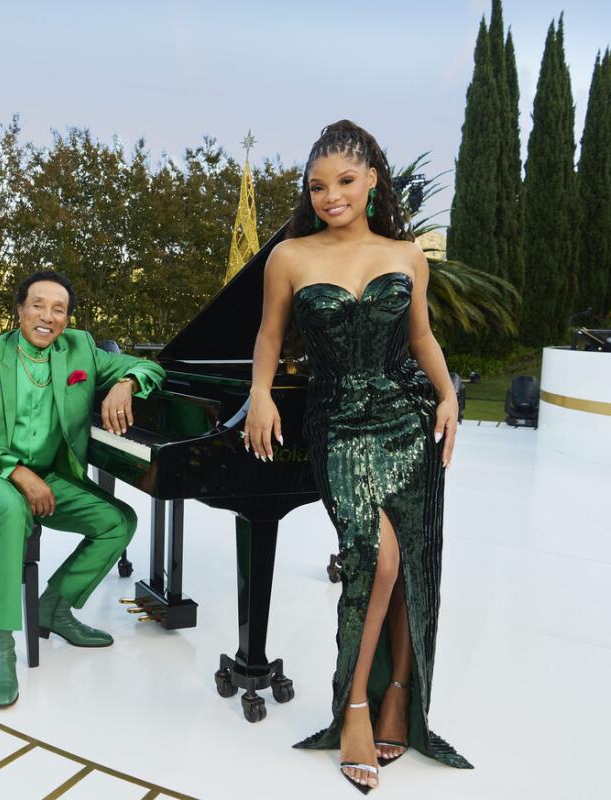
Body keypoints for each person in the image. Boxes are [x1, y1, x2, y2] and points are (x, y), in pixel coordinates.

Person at [244, 120, 472, 793]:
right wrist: (260, 392)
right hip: (337, 420)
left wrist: (448, 395)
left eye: (344, 180)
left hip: (407, 417)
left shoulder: (408, 254)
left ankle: (398, 693)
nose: (330, 195)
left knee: (412, 563)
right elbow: (267, 334)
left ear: (372, 178)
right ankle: (354, 707)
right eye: (317, 185)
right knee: (376, 557)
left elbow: (422, 335)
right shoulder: (290, 255)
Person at [0, 270, 166, 707]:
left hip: (49, 474)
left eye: (59, 309)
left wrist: (125, 385)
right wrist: (17, 472)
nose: (48, 317)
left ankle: (53, 607)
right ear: (19, 309)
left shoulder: (81, 350)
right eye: (38, 305)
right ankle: (2, 646)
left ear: (67, 318)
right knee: (10, 509)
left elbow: (149, 366)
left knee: (117, 521)